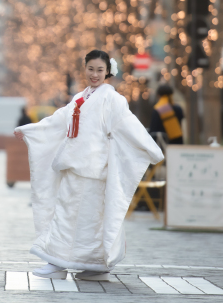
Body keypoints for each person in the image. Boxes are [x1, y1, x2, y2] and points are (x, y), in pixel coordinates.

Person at [14, 50, 164, 281]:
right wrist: (30, 130)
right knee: (68, 216)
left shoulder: (113, 99)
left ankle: (85, 265)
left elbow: (128, 125)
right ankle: (68, 263)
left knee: (89, 221)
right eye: (91, 69)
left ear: (108, 72)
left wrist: (151, 149)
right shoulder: (79, 98)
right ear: (84, 69)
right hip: (75, 167)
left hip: (94, 170)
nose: (94, 74)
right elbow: (58, 121)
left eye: (100, 70)